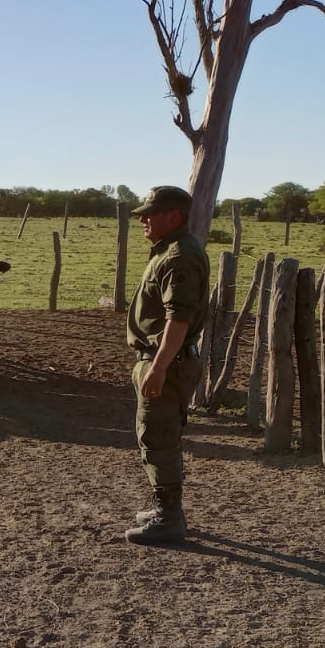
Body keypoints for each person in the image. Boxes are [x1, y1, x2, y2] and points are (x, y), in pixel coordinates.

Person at [124, 186, 209, 545]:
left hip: (167, 362)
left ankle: (169, 518)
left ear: (174, 215)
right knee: (158, 436)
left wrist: (159, 366)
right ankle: (166, 509)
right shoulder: (171, 251)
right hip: (165, 359)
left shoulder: (178, 256)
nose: (143, 218)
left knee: (158, 438)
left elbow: (179, 318)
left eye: (151, 213)